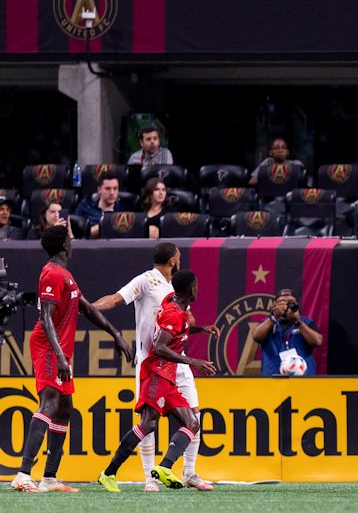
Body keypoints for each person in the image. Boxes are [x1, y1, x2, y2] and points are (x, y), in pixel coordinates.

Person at [10, 226, 134, 493]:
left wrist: (115, 334)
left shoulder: (65, 275)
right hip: (48, 347)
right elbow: (45, 318)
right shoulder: (52, 274)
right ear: (64, 246)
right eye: (70, 239)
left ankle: (50, 478)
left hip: (60, 351)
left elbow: (86, 308)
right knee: (49, 402)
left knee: (65, 408)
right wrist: (58, 356)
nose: (73, 243)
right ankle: (22, 474)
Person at [93, 243, 220, 491]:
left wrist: (200, 328)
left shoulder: (177, 291)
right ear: (173, 260)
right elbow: (116, 299)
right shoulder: (146, 281)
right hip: (154, 361)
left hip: (176, 361)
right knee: (149, 423)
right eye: (179, 257)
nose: (180, 260)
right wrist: (88, 307)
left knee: (194, 417)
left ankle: (188, 472)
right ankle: (148, 477)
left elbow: (181, 325)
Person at [252, 288, 323, 376]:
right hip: (273, 378)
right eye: (282, 302)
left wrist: (297, 322)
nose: (286, 306)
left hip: (303, 378)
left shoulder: (306, 322)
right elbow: (256, 336)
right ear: (275, 305)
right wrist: (274, 317)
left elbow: (317, 341)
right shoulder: (268, 323)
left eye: (290, 302)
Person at [74, 171, 130, 239]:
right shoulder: (85, 207)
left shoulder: (125, 211)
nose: (112, 193)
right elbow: (75, 232)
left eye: (115, 188)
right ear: (99, 190)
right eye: (108, 189)